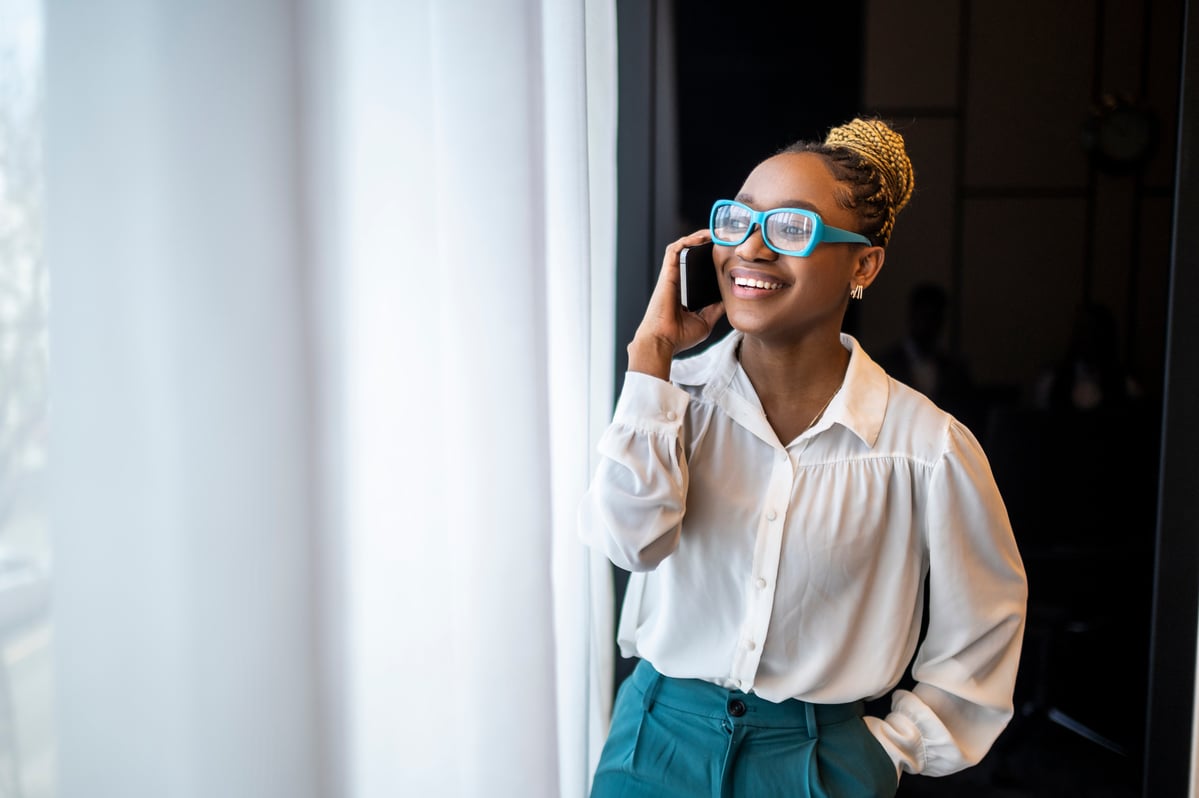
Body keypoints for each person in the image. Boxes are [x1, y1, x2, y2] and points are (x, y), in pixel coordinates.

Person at [579, 118, 1027, 797]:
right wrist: (650, 361)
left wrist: (887, 751)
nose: (750, 249)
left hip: (817, 761)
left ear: (863, 265)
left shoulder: (926, 449)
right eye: (737, 222)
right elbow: (627, 543)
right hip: (653, 746)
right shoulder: (667, 400)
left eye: (791, 229)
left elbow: (985, 628)